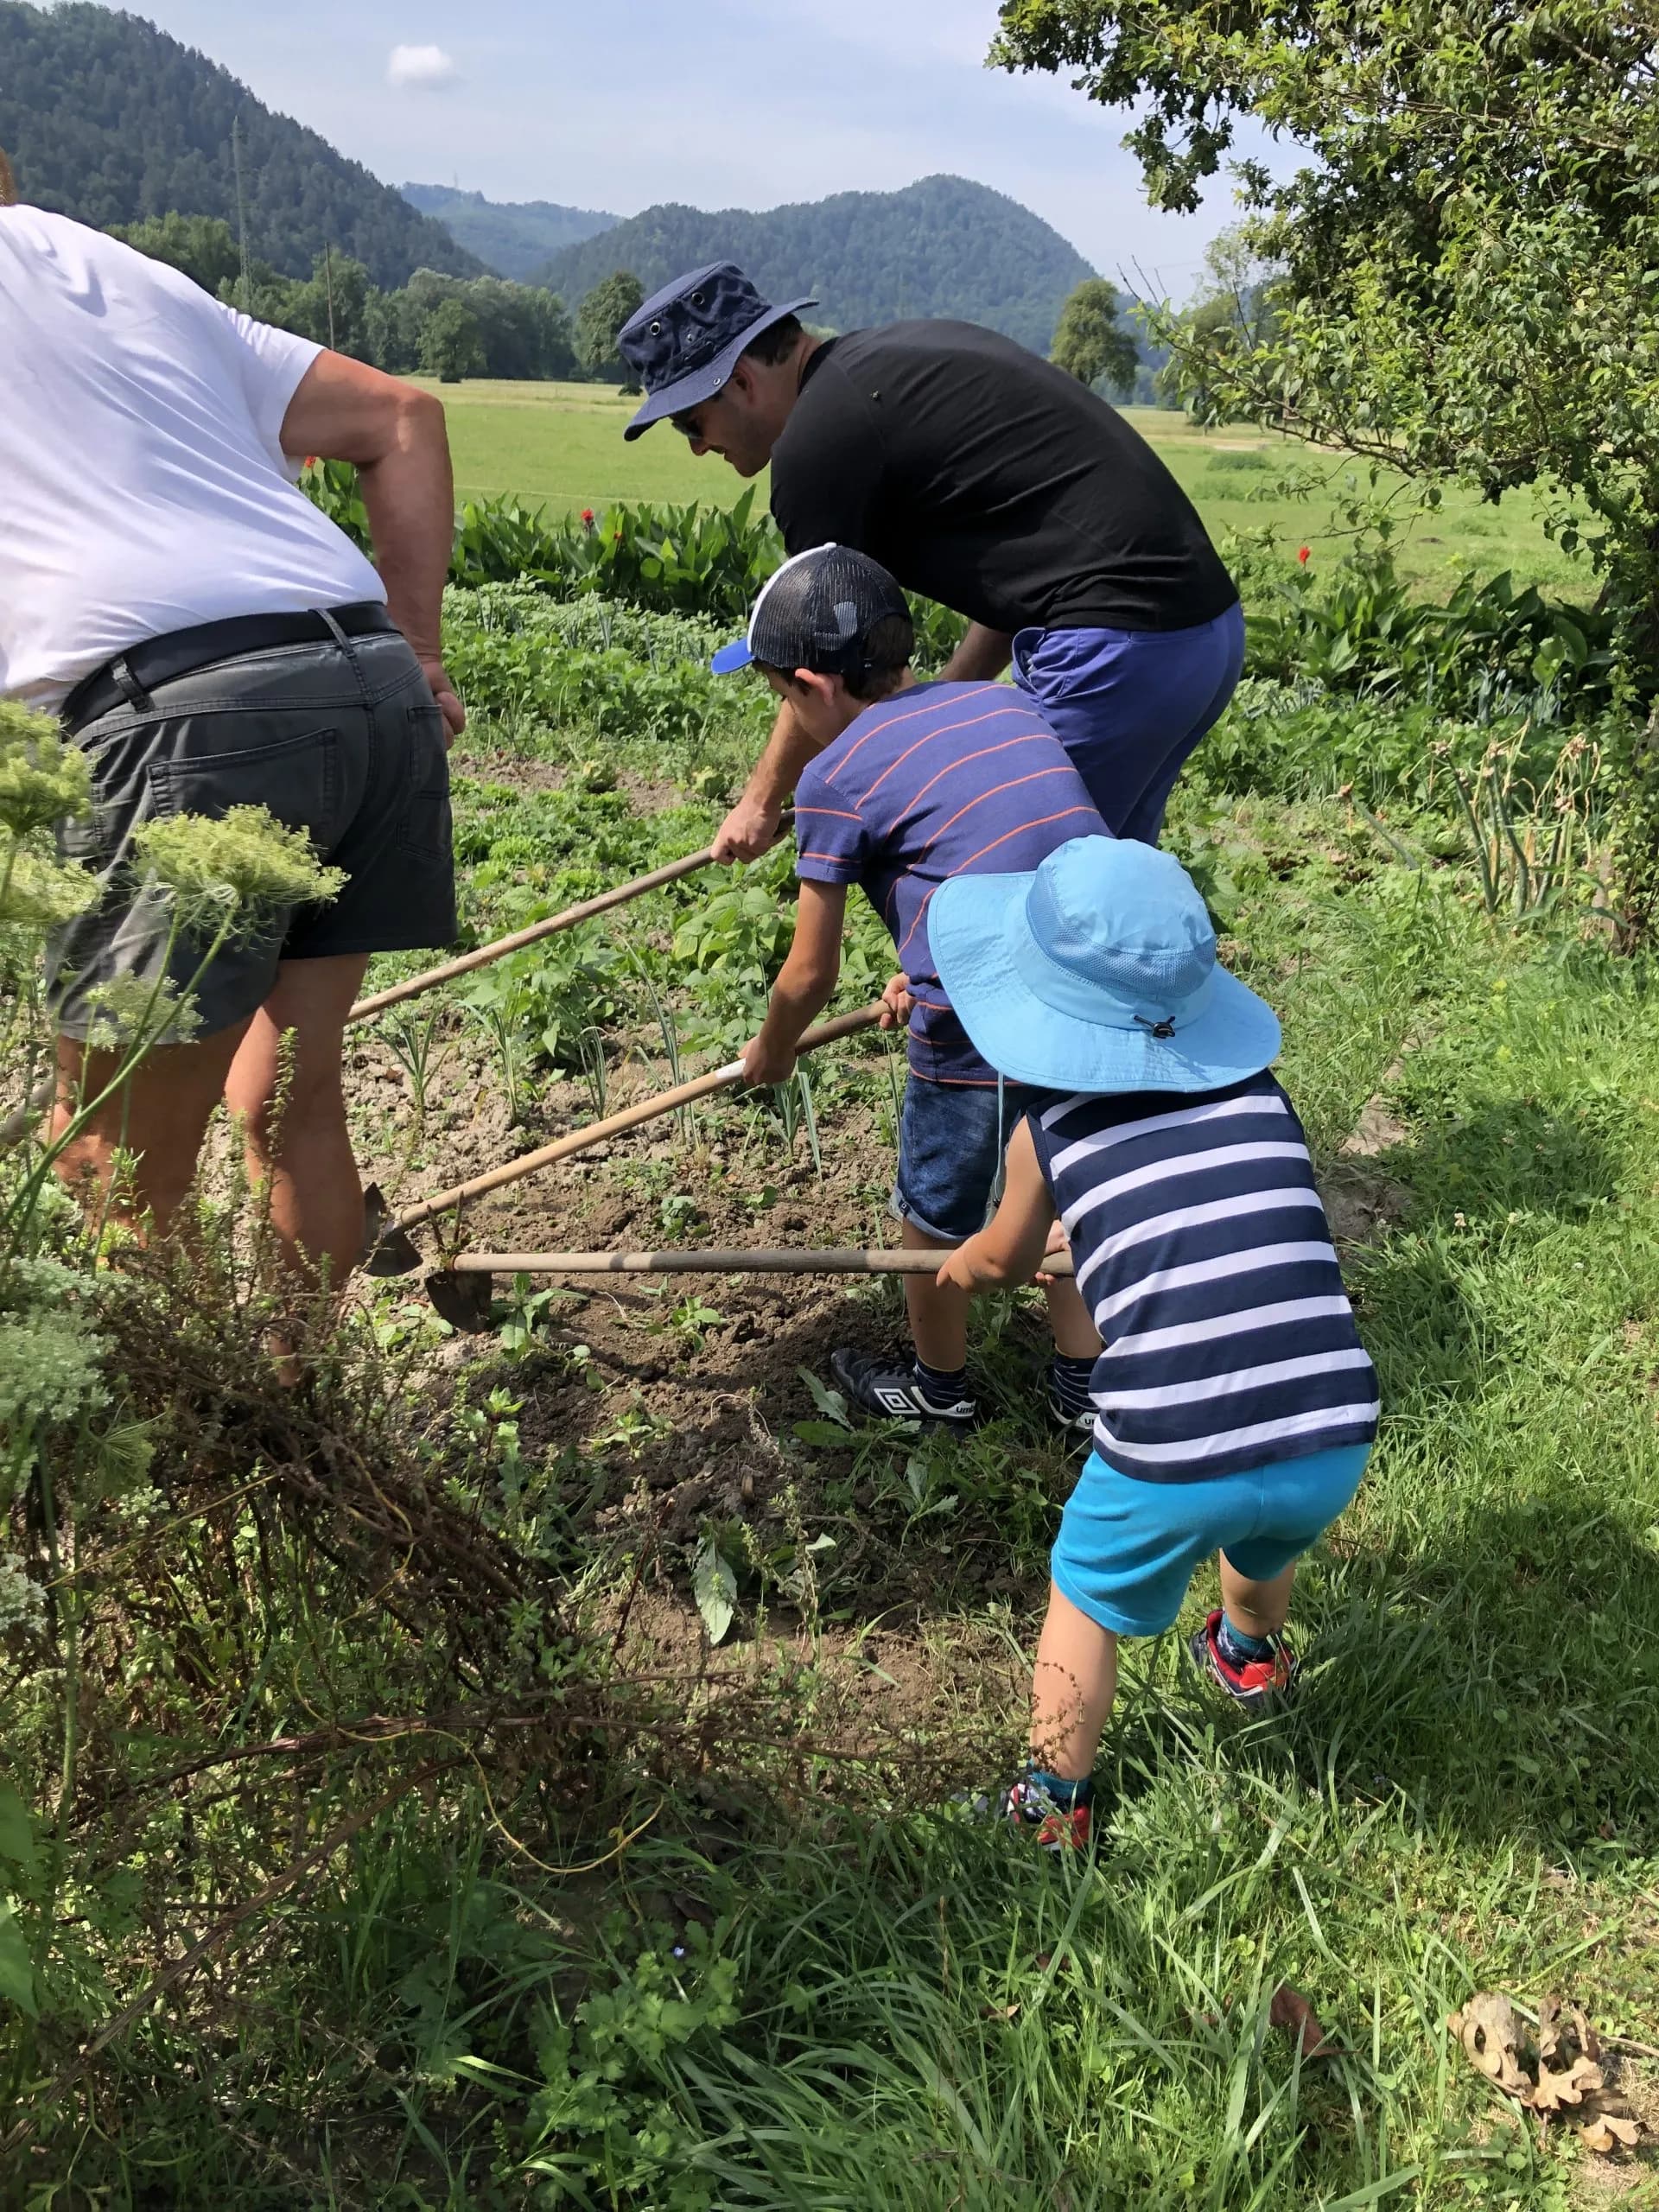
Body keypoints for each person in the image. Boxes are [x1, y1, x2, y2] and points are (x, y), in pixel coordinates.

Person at [0, 182, 462, 1296]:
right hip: (369, 690)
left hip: (184, 727)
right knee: (293, 1094)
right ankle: (293, 1418)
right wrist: (424, 649)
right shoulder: (128, 274)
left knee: (112, 1157)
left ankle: (188, 1456)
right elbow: (404, 417)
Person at [929, 837, 1378, 1851]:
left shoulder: (1050, 1130)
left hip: (1172, 1445)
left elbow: (1002, 1260)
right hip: (1329, 1426)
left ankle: (1052, 1804)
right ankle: (1249, 1655)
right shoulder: (1264, 1096)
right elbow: (1194, 1220)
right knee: (1261, 1533)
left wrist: (963, 1269)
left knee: (1083, 1594)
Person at [618, 263, 1243, 866]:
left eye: (689, 422)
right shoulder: (886, 365)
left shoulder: (817, 449)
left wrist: (759, 802)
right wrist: (945, 699)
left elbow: (822, 659)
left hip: (1115, 650)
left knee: (1012, 895)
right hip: (1199, 637)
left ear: (742, 383)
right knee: (1102, 901)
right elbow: (1026, 570)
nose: (699, 446)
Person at [717, 542, 1109, 1430]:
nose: (789, 714)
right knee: (1065, 1171)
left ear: (814, 686)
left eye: (782, 697)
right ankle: (1083, 1392)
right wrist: (920, 962)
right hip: (1094, 969)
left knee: (932, 1206)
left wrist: (772, 1051)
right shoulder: (999, 704)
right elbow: (996, 846)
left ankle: (939, 1389)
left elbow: (809, 972)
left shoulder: (834, 778)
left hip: (986, 1007)